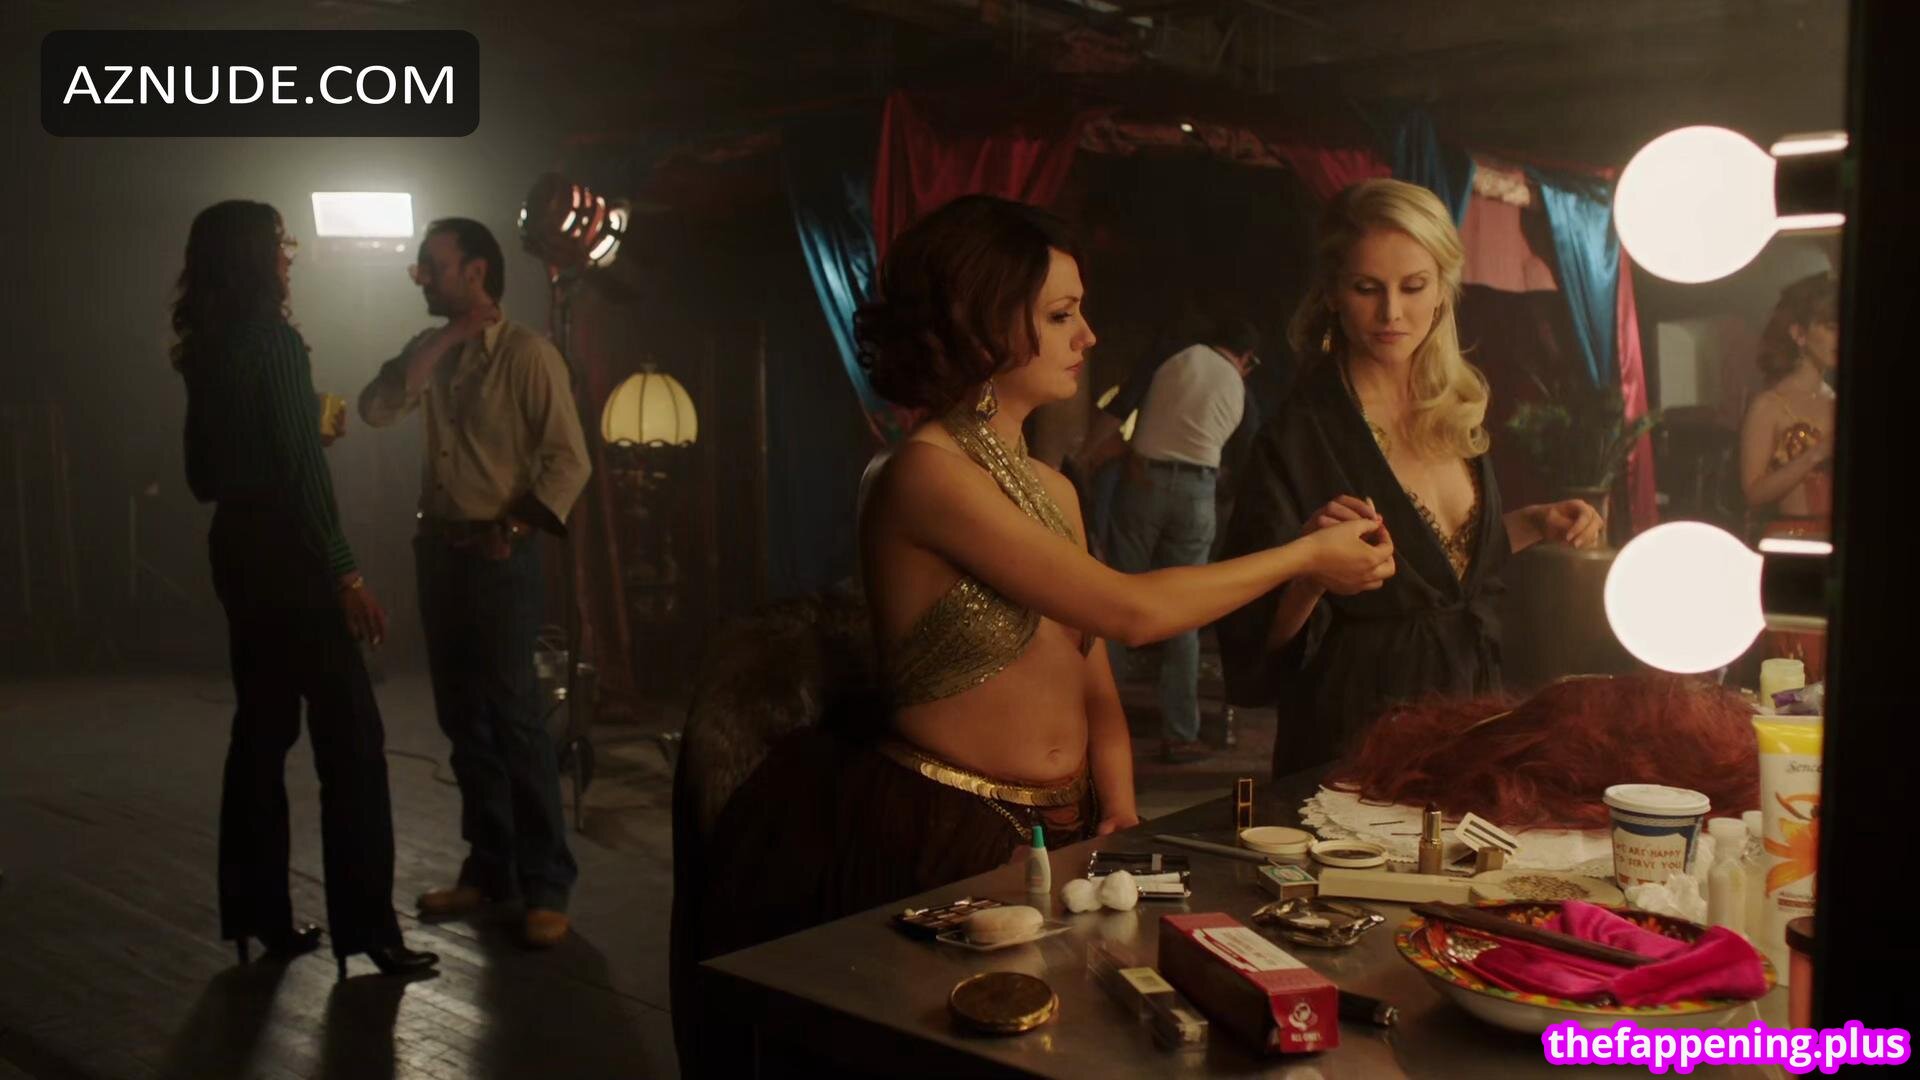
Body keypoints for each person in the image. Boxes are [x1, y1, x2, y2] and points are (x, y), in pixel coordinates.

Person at [692, 194, 1394, 962]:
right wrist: (1303, 557)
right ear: (982, 327)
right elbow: (1131, 612)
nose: (1088, 336)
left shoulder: (1054, 488)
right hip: (947, 829)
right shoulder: (925, 475)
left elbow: (1091, 674)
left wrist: (1119, 808)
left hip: (1070, 825)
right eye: (1061, 316)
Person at [1215, 179, 1604, 779]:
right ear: (1333, 293)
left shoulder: (1452, 407)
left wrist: (1534, 522)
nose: (1392, 313)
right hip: (1356, 730)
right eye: (1367, 288)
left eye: (1413, 286)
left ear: (1443, 289)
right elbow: (1250, 639)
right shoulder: (1298, 436)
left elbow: (1443, 572)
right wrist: (1309, 576)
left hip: (1470, 714)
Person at [174, 200, 437, 979]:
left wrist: (285, 436)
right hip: (292, 554)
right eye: (280, 243)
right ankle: (369, 928)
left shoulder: (206, 348)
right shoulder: (276, 342)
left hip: (235, 547)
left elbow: (201, 477)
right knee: (352, 741)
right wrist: (346, 571)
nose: (290, 255)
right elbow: (301, 472)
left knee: (261, 731)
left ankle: (256, 915)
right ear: (255, 258)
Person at [358, 218, 592, 948]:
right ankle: (491, 869)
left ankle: (546, 882)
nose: (421, 277)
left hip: (496, 555)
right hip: (439, 549)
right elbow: (375, 409)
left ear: (477, 272)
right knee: (463, 719)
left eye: (434, 265)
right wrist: (447, 338)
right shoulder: (435, 352)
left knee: (515, 716)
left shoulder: (528, 356)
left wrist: (512, 530)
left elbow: (569, 460)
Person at [1102, 319, 1262, 763]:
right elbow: (1249, 450)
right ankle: (1179, 734)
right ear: (1246, 358)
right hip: (1197, 492)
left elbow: (1123, 405)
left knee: (1112, 599)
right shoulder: (1238, 386)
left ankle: (1097, 721)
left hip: (1143, 482)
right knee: (1184, 613)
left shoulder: (1173, 358)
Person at [1739, 270, 1838, 680]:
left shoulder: (1841, 401)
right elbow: (1753, 491)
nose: (1839, 337)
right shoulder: (1769, 405)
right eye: (1829, 326)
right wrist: (1815, 454)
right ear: (1799, 333)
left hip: (1835, 543)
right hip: (1792, 545)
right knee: (1797, 674)